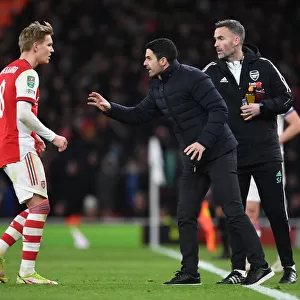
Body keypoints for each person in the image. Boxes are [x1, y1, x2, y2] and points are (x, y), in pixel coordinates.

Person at [88, 38, 274, 286]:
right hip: (194, 157)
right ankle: (190, 272)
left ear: (163, 61)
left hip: (219, 151)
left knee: (232, 211)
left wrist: (203, 142)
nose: (144, 63)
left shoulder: (194, 77)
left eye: (148, 58)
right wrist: (111, 108)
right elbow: (139, 114)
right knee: (185, 214)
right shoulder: (158, 86)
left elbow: (219, 109)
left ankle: (260, 266)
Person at [203, 19, 297, 284]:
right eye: (214, 39)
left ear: (236, 40)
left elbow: (287, 97)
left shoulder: (264, 67)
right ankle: (237, 269)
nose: (216, 44)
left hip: (266, 154)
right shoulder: (211, 71)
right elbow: (192, 97)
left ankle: (288, 266)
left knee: (276, 211)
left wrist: (262, 107)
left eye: (220, 38)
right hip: (232, 155)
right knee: (235, 213)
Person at [0, 21, 68, 284]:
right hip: (19, 147)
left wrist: (34, 134)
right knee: (40, 206)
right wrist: (52, 137)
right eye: (49, 44)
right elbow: (22, 113)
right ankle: (27, 272)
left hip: (9, 144)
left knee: (37, 205)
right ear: (36, 45)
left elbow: (9, 114)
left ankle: (4, 253)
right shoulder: (28, 73)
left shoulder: (6, 71)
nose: (52, 49)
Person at [246, 107, 300, 272]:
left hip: (273, 160)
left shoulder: (277, 97)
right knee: (250, 210)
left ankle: (283, 257)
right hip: (249, 158)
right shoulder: (244, 96)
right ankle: (253, 259)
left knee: (277, 210)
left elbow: (296, 123)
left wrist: (276, 141)